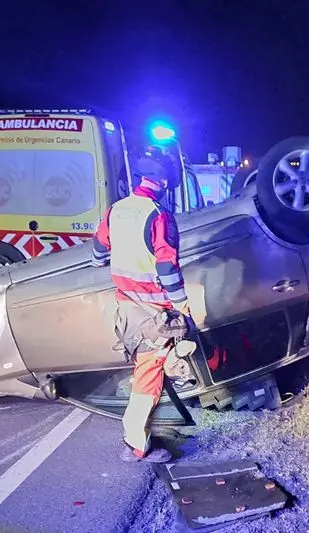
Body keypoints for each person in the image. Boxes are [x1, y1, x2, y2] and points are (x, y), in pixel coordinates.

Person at [90, 145, 193, 463]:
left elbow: (98, 251)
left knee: (151, 367)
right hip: (154, 312)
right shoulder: (159, 216)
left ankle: (146, 426)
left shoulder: (116, 210)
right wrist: (182, 304)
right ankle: (135, 444)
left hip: (126, 308)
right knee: (150, 372)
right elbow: (166, 267)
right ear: (162, 183)